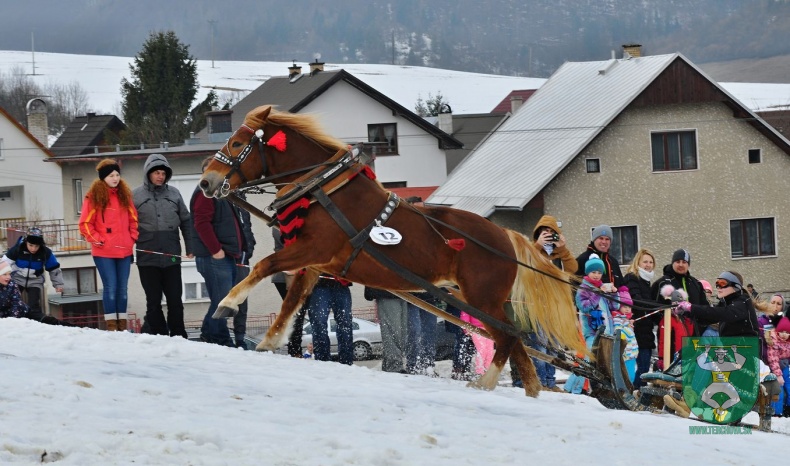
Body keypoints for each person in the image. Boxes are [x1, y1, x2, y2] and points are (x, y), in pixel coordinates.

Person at [667, 271, 778, 417]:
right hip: (732, 352)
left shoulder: (742, 302)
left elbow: (721, 313)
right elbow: (708, 317)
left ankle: (692, 403)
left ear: (735, 287)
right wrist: (685, 312)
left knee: (707, 358)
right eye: (717, 283)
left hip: (746, 355)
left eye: (722, 283)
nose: (718, 287)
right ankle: (688, 398)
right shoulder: (726, 302)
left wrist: (691, 307)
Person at [190, 157, 249, 347]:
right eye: (209, 170)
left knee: (221, 301)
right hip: (215, 258)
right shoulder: (204, 193)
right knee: (222, 304)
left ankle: (209, 334)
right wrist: (216, 250)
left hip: (228, 256)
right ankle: (221, 340)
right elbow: (201, 223)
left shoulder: (221, 193)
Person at [132, 153, 193, 338]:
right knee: (153, 301)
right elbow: (127, 224)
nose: (160, 176)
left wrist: (191, 247)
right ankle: (159, 335)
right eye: (156, 172)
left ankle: (179, 335)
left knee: (175, 300)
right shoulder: (135, 195)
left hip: (172, 255)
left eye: (163, 173)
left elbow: (186, 221)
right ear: (148, 173)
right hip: (147, 257)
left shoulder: (174, 193)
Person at [79, 158, 139, 332]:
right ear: (103, 177)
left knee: (123, 289)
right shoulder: (93, 197)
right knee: (111, 287)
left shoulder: (124, 196)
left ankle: (122, 325)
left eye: (117, 175)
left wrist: (132, 238)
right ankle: (112, 324)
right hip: (103, 252)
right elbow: (85, 224)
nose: (115, 178)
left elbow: (133, 219)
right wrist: (98, 239)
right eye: (111, 175)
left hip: (124, 250)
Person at [518, 215, 576, 391]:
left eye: (552, 233)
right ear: (538, 233)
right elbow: (523, 266)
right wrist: (537, 246)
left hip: (556, 307)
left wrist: (563, 249)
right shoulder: (531, 250)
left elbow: (572, 270)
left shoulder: (560, 253)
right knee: (539, 346)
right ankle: (541, 382)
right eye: (545, 232)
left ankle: (550, 382)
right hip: (537, 306)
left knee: (552, 348)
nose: (549, 236)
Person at [565, 254, 619, 394]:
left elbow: (615, 306)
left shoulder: (603, 287)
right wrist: (598, 293)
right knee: (587, 361)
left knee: (601, 364)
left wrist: (614, 293)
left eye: (599, 272)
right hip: (591, 332)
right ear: (587, 272)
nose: (596, 275)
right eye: (593, 272)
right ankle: (573, 389)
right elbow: (584, 307)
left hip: (606, 332)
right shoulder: (583, 289)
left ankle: (595, 389)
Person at [649, 249, 707, 365]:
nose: (681, 265)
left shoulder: (695, 284)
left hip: (694, 334)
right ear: (672, 263)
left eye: (684, 262)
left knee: (691, 368)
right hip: (670, 337)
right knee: (671, 367)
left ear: (688, 264)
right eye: (678, 261)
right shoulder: (662, 283)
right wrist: (665, 320)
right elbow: (652, 307)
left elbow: (704, 307)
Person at [4, 227, 65, 322]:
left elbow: (54, 268)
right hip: (17, 278)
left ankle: (35, 322)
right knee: (12, 300)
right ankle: (11, 320)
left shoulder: (45, 252)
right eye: (31, 245)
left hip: (35, 280)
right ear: (26, 242)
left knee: (33, 304)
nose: (33, 249)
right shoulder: (17, 249)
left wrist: (58, 284)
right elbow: (4, 263)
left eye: (37, 246)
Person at [622, 248, 658, 388]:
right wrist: (658, 306)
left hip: (645, 330)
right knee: (639, 365)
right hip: (635, 329)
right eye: (645, 262)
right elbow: (636, 300)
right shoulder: (632, 278)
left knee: (644, 366)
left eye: (651, 262)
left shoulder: (647, 282)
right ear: (638, 262)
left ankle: (636, 390)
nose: (648, 265)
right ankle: (633, 390)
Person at [306, 274, 354, 364]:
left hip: (342, 284)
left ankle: (346, 362)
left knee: (345, 323)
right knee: (319, 323)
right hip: (319, 284)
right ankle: (323, 361)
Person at [364, 286, 408, 373]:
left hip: (401, 291)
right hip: (386, 290)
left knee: (401, 334)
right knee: (393, 332)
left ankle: (388, 366)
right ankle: (394, 366)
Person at [575, 224, 623, 289]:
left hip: (612, 298)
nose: (604, 242)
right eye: (601, 238)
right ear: (594, 239)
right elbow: (574, 285)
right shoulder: (583, 259)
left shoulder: (613, 261)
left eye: (607, 239)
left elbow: (621, 285)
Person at [406, 293, 438, 376]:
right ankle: (412, 365)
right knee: (414, 331)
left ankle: (428, 365)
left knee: (430, 332)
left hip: (429, 298)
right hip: (411, 297)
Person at [766, 316, 790, 417]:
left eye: (787, 332)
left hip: (786, 368)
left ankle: (788, 408)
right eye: (782, 331)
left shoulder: (788, 342)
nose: (784, 334)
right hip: (776, 369)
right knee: (778, 389)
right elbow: (773, 359)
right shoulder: (774, 341)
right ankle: (776, 411)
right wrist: (778, 375)